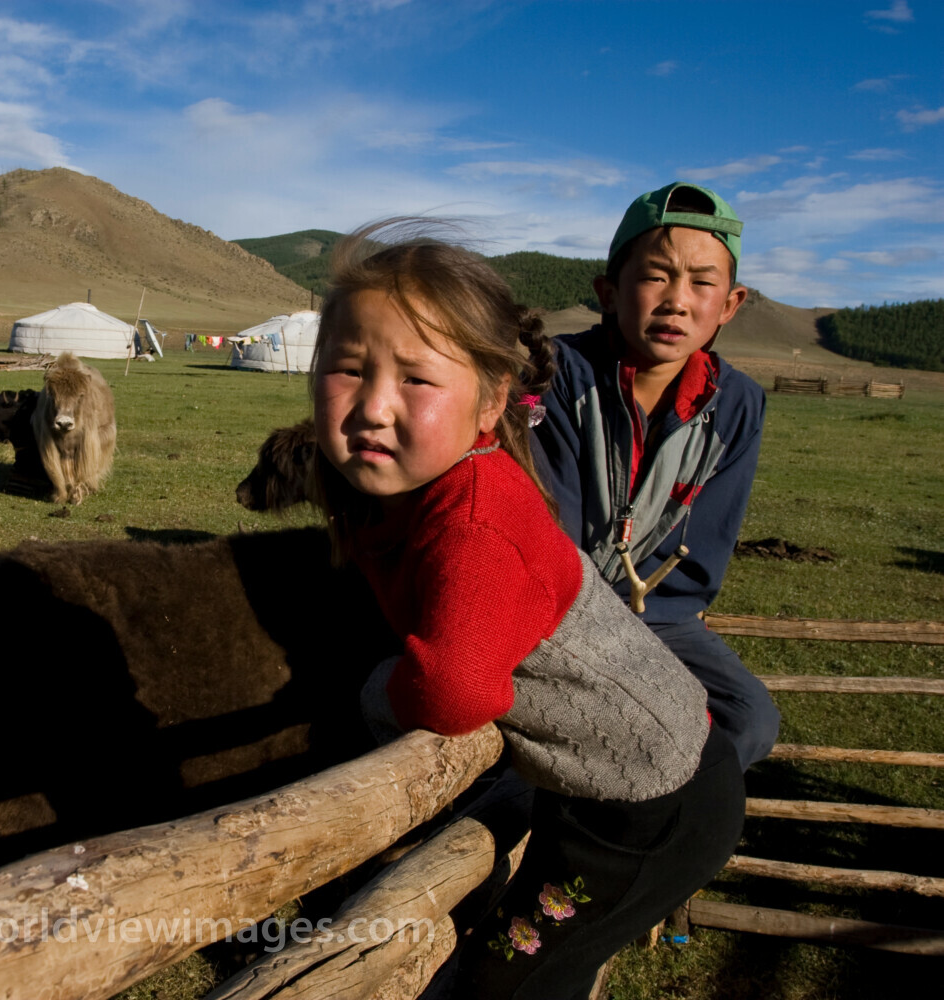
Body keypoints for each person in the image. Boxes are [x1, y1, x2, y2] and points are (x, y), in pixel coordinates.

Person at [309, 221, 745, 999]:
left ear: (491, 402)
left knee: (509, 979)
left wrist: (382, 687)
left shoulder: (475, 519)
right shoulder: (426, 492)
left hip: (654, 807)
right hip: (616, 791)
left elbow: (458, 691)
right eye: (347, 368)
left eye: (415, 379)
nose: (373, 406)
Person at [533, 181, 779, 772]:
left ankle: (647, 832)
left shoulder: (738, 403)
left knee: (748, 718)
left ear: (731, 303)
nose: (678, 301)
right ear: (609, 292)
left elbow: (697, 563)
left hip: (657, 616)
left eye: (702, 282)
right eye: (656, 276)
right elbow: (549, 533)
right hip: (552, 608)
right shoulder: (554, 373)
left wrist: (645, 636)